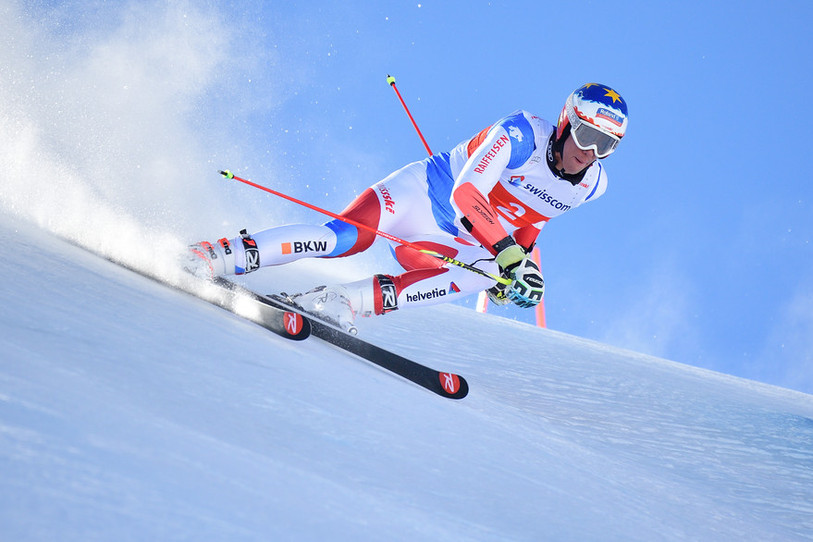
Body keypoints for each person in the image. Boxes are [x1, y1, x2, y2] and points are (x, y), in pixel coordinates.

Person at [186, 83, 629, 332]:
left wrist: (514, 270)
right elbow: (466, 195)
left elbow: (532, 223)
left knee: (488, 274)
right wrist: (510, 254)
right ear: (566, 122)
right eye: (586, 136)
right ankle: (219, 254)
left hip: (450, 241)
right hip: (421, 193)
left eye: (605, 145)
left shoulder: (590, 186)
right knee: (342, 238)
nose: (590, 152)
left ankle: (341, 301)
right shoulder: (519, 134)